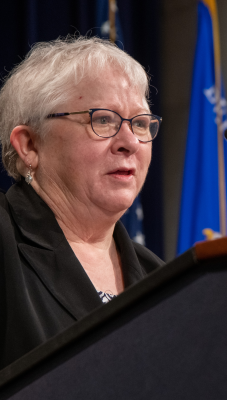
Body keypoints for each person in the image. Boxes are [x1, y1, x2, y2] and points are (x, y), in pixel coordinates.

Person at [0, 36, 164, 369]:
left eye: (141, 124)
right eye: (103, 120)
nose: (130, 142)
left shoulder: (159, 278)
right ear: (30, 145)